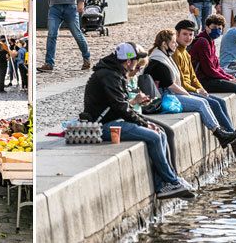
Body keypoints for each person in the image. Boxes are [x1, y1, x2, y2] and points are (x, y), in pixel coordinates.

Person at [83, 42, 195, 200]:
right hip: (103, 125)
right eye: (136, 62)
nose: (137, 66)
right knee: (155, 136)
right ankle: (171, 181)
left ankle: (164, 184)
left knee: (161, 133)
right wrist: (144, 123)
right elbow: (121, 107)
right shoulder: (110, 75)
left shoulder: (115, 72)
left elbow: (121, 107)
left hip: (115, 119)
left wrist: (143, 121)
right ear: (129, 61)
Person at [144, 30, 236, 151]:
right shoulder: (158, 60)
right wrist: (188, 93)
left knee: (215, 102)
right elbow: (171, 85)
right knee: (202, 103)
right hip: (166, 97)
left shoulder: (169, 55)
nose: (175, 44)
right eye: (173, 42)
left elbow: (191, 76)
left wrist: (198, 89)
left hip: (173, 93)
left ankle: (231, 138)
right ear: (164, 44)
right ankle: (220, 134)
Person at [172, 21, 236, 156]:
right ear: (176, 35)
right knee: (215, 101)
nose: (188, 38)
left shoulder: (186, 51)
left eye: (190, 34)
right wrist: (198, 90)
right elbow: (191, 78)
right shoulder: (190, 47)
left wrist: (202, 88)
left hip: (198, 85)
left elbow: (193, 76)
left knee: (221, 101)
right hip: (189, 88)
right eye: (184, 34)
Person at [188, 15, 236, 139]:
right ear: (207, 27)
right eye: (214, 27)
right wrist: (228, 79)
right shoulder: (203, 42)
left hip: (211, 77)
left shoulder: (210, 41)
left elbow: (217, 66)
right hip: (204, 81)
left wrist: (231, 78)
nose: (217, 30)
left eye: (220, 28)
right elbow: (209, 70)